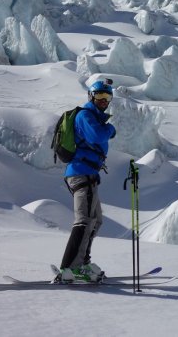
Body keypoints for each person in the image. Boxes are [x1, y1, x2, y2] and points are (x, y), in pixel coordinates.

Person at [56, 79, 116, 283]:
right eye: (99, 95)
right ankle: (70, 269)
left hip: (88, 174)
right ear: (91, 96)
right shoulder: (86, 115)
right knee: (84, 220)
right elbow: (98, 136)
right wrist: (111, 129)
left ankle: (82, 262)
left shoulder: (95, 116)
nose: (103, 100)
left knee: (96, 220)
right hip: (81, 173)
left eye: (107, 97)